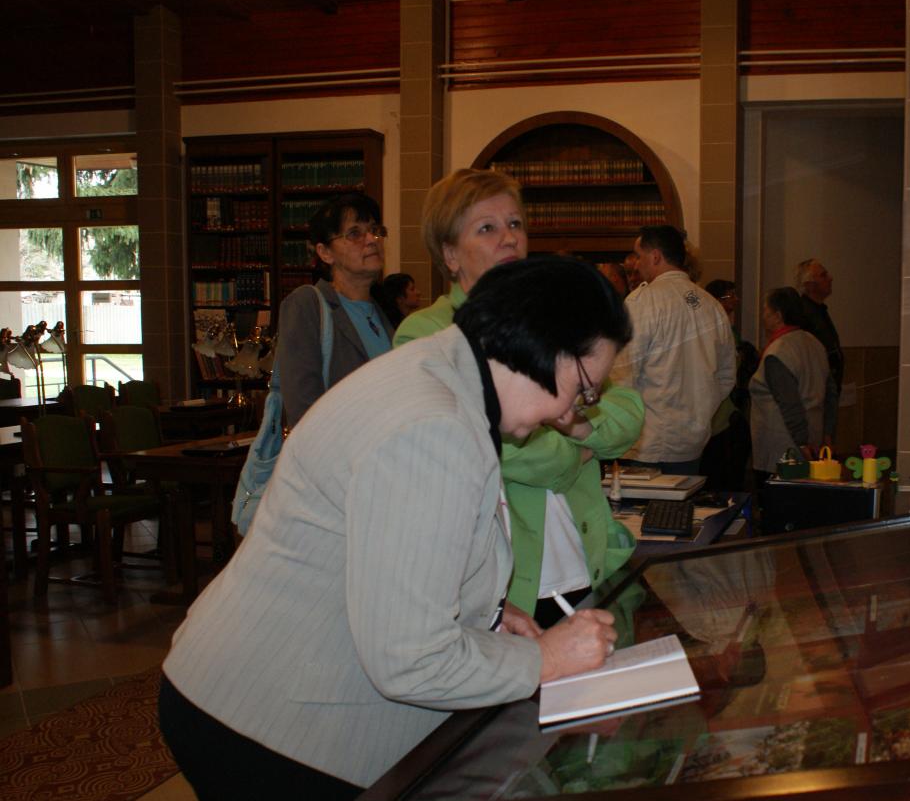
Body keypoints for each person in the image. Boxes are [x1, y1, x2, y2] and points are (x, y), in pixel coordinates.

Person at [159, 257, 629, 801]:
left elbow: (392, 546)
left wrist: (483, 611)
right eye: (583, 389)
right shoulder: (434, 425)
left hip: (261, 690)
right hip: (267, 722)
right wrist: (546, 657)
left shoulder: (443, 376)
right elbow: (410, 658)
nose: (570, 415)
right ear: (540, 345)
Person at [395, 169, 645, 626]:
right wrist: (578, 451)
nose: (509, 238)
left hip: (589, 554)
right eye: (487, 228)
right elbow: (513, 453)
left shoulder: (553, 319)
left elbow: (629, 414)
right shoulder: (428, 335)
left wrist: (579, 427)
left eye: (515, 224)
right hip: (513, 581)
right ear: (450, 254)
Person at [611, 225, 735, 475]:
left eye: (639, 256)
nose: (636, 265)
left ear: (656, 256)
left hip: (647, 443)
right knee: (681, 501)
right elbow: (726, 375)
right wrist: (699, 410)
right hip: (693, 441)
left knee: (641, 503)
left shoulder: (642, 301)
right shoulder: (711, 305)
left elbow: (622, 373)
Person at [278, 193, 394, 428]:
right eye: (354, 233)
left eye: (375, 230)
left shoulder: (385, 309)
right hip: (337, 447)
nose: (371, 239)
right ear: (325, 253)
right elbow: (302, 410)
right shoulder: (307, 305)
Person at [749, 286, 835, 483]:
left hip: (782, 449)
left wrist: (802, 442)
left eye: (765, 311)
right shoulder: (815, 343)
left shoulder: (778, 352)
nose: (763, 316)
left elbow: (789, 402)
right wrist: (828, 433)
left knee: (777, 499)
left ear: (778, 316)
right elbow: (831, 393)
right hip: (813, 438)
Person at [700, 279, 759, 490]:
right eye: (729, 296)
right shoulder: (711, 329)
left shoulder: (728, 328)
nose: (735, 300)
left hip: (727, 409)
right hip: (716, 413)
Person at [795, 258, 843, 445]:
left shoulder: (819, 310)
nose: (830, 278)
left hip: (826, 392)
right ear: (809, 284)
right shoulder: (804, 314)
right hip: (814, 397)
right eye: (823, 275)